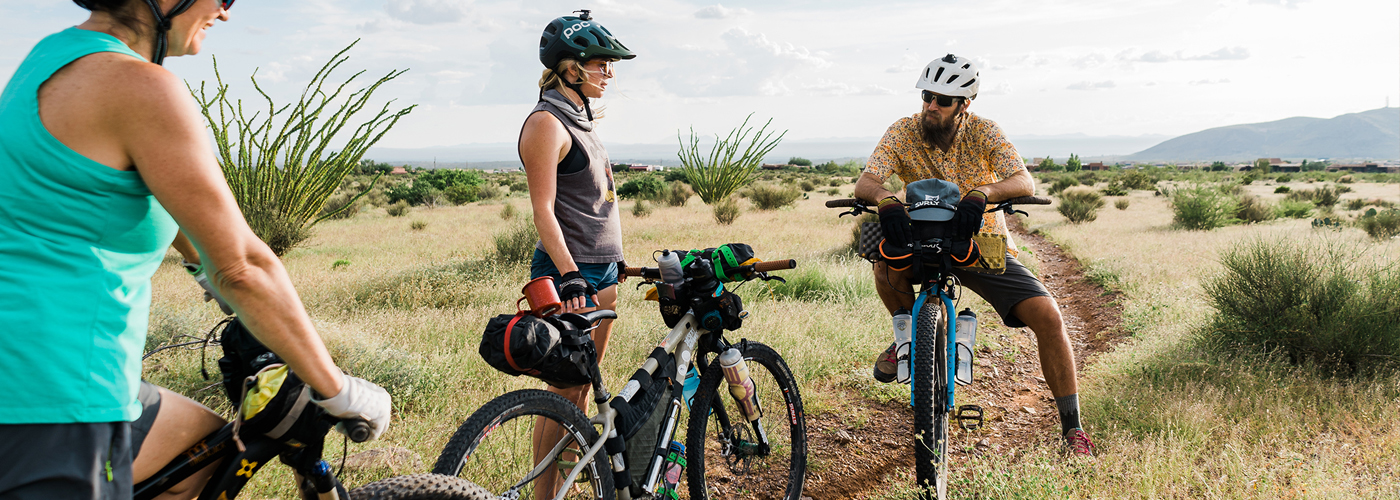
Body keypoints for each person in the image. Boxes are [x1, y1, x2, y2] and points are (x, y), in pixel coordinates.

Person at [0, 1, 392, 498]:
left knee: (200, 448)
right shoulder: (140, 86)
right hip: (55, 393)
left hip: (26, 364)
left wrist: (209, 278)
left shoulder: (54, 56)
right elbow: (243, 266)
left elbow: (165, 204)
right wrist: (339, 389)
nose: (225, 13)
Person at [854, 54, 1094, 455]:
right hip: (920, 237)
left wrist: (984, 194)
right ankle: (905, 339)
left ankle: (1073, 429)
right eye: (927, 95)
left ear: (965, 103)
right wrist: (885, 200)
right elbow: (867, 181)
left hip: (979, 241)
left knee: (1049, 316)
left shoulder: (985, 132)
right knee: (881, 256)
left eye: (943, 99)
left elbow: (1022, 179)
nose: (931, 105)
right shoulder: (903, 130)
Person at [517, 10, 634, 497]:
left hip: (600, 271)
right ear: (569, 66)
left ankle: (562, 488)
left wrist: (616, 262)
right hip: (572, 276)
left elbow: (591, 203)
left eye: (611, 64)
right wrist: (570, 276)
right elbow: (543, 210)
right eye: (600, 62)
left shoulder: (579, 117)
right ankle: (544, 496)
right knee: (563, 393)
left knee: (582, 390)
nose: (609, 72)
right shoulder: (547, 122)